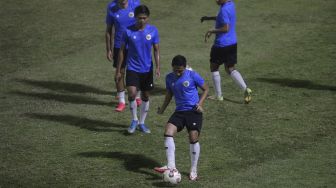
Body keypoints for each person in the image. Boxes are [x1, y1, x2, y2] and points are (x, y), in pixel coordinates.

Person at [154, 55, 209, 181]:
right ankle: (171, 167)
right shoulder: (169, 78)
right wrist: (162, 109)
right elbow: (169, 94)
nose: (178, 73)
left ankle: (193, 170)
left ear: (185, 67)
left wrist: (200, 104)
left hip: (193, 111)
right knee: (168, 131)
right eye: (175, 70)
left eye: (180, 70)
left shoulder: (192, 75)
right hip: (179, 111)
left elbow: (206, 89)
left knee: (193, 137)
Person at [115, 5, 160, 134]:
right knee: (132, 94)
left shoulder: (153, 31)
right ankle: (134, 120)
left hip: (147, 69)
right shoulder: (128, 31)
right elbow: (122, 51)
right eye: (139, 18)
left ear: (148, 18)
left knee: (145, 96)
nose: (142, 20)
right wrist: (119, 70)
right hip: (132, 68)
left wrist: (158, 67)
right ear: (135, 17)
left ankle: (142, 122)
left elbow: (156, 50)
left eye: (144, 18)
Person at [201, 0, 252, 103]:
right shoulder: (230, 4)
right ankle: (245, 89)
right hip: (232, 43)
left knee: (214, 67)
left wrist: (211, 30)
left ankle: (218, 96)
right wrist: (209, 18)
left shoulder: (224, 9)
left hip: (221, 45)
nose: (216, 0)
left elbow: (225, 28)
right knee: (230, 68)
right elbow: (224, 19)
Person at [105, 0, 142, 112]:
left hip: (134, 43)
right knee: (120, 71)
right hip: (119, 45)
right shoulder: (111, 7)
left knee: (137, 70)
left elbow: (142, 23)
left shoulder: (135, 4)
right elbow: (108, 30)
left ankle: (138, 96)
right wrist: (109, 49)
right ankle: (121, 101)